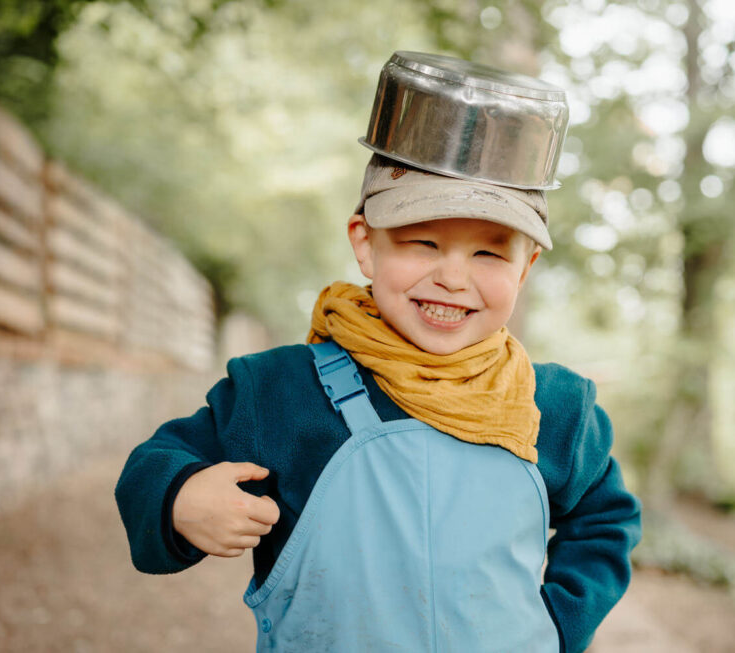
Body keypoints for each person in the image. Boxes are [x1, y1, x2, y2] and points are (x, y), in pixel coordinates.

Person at [116, 60, 641, 653]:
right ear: (365, 243)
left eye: (490, 255)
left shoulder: (557, 408)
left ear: (527, 266)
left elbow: (605, 520)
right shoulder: (279, 392)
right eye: (424, 242)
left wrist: (559, 625)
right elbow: (154, 461)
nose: (452, 277)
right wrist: (180, 497)